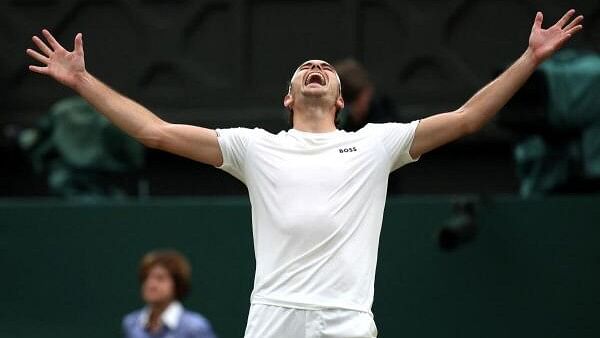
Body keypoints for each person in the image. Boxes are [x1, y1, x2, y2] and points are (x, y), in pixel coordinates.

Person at [26, 9, 583, 338]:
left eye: (326, 70)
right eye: (304, 70)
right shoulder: (253, 147)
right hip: (273, 319)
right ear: (288, 97)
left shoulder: (378, 143)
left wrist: (530, 59)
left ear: (341, 100)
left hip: (346, 320)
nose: (316, 69)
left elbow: (467, 118)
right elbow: (155, 132)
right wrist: (82, 84)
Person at [122, 250, 217, 338]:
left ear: (177, 284)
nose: (151, 284)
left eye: (160, 278)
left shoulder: (195, 327)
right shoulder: (131, 323)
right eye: (146, 277)